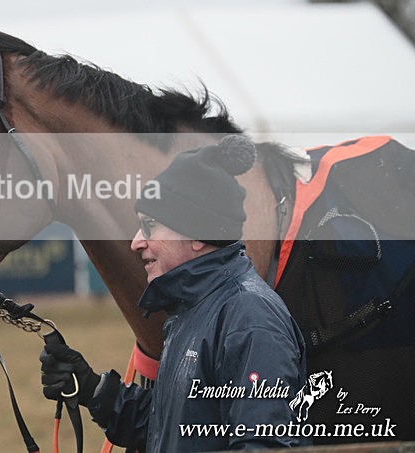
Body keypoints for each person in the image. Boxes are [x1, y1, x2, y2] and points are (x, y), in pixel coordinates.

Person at [39, 135, 309, 451]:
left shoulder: (249, 318)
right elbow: (173, 430)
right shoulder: (193, 308)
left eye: (150, 225)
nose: (136, 242)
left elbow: (263, 445)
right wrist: (91, 387)